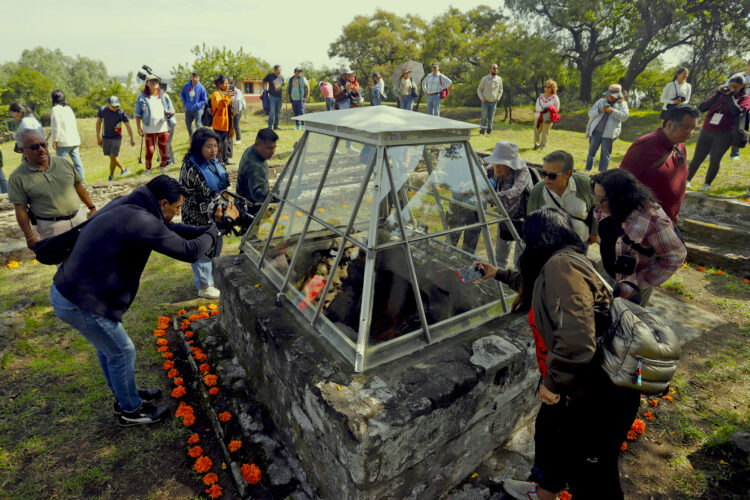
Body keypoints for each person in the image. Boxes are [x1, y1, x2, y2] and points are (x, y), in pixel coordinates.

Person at [475, 207, 641, 500]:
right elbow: (539, 287)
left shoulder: (561, 267)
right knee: (550, 437)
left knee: (591, 475)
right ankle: (544, 492)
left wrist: (551, 383)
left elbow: (577, 339)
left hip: (596, 393)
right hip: (575, 384)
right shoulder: (560, 262)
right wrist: (498, 273)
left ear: (537, 241)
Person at [50, 175, 237, 426]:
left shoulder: (132, 205)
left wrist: (209, 229)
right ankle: (130, 411)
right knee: (121, 351)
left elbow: (171, 229)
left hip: (74, 290)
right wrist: (217, 229)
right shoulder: (138, 219)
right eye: (176, 208)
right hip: (78, 300)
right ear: (161, 203)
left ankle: (125, 396)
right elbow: (188, 251)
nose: (176, 213)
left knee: (109, 350)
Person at [592, 169, 686, 306]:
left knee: (625, 324)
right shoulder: (605, 208)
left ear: (621, 197)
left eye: (601, 199)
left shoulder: (653, 220)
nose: (596, 203)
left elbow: (675, 257)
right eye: (595, 196)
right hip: (607, 274)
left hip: (633, 287)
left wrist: (640, 281)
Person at [8, 130, 96, 249]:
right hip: (51, 228)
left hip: (80, 219)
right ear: (22, 150)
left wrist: (91, 207)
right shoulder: (17, 177)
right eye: (34, 147)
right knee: (66, 264)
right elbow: (20, 209)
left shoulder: (63, 163)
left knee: (93, 254)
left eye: (43, 145)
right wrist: (29, 237)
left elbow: (78, 186)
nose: (41, 149)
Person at [620, 105, 699, 224]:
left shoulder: (679, 144)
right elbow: (621, 181)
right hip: (643, 221)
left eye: (693, 128)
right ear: (669, 124)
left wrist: (673, 214)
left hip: (667, 220)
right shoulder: (645, 145)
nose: (690, 132)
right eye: (686, 127)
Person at [179, 128, 229, 299]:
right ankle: (204, 286)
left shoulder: (215, 161)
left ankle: (211, 279)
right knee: (202, 249)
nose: (214, 150)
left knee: (215, 246)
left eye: (215, 146)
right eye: (209, 146)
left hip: (217, 213)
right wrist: (215, 211)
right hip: (197, 217)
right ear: (199, 147)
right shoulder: (190, 167)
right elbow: (191, 198)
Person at [687, 76, 750, 191]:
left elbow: (737, 112)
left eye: (735, 87)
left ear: (742, 87)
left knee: (715, 159)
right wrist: (717, 94)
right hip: (707, 130)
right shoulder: (720, 95)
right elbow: (702, 108)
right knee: (697, 157)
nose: (731, 88)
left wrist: (731, 96)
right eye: (730, 85)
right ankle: (687, 180)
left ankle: (706, 184)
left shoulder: (745, 99)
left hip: (725, 133)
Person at [528, 150, 598, 247]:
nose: (546, 179)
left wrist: (594, 232)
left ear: (568, 174)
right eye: (543, 173)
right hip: (549, 247)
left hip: (580, 244)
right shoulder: (538, 190)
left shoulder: (585, 184)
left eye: (552, 175)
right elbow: (531, 221)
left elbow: (597, 208)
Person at [484, 141, 532, 269]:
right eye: (495, 162)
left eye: (502, 164)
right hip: (505, 217)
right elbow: (479, 175)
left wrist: (490, 197)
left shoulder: (522, 172)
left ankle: (515, 285)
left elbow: (515, 191)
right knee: (499, 256)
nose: (497, 167)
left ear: (510, 165)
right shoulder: (493, 168)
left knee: (519, 259)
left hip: (524, 221)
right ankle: (498, 282)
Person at [134, 74, 176, 174]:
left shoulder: (164, 96)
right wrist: (139, 127)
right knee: (150, 150)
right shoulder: (141, 97)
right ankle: (148, 169)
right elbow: (137, 114)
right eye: (151, 81)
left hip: (163, 127)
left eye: (156, 81)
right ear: (147, 83)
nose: (154, 83)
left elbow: (172, 109)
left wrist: (170, 112)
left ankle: (163, 166)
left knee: (164, 149)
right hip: (149, 128)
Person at [584, 84, 629, 172]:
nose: (610, 96)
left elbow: (625, 116)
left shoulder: (622, 104)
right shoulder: (601, 101)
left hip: (609, 134)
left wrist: (613, 111)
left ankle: (602, 173)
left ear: (618, 96)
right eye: (609, 94)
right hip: (596, 131)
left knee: (605, 155)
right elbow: (590, 113)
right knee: (591, 152)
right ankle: (587, 170)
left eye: (612, 95)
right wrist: (600, 110)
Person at [237, 128, 279, 212]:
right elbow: (258, 195)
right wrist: (281, 195)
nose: (272, 152)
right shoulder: (255, 166)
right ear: (257, 145)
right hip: (251, 209)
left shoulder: (252, 150)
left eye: (274, 147)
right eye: (269, 148)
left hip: (244, 203)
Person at [96, 96, 135, 181]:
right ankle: (124, 170)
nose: (116, 108)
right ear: (108, 104)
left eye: (117, 106)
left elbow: (128, 125)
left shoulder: (121, 113)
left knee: (113, 156)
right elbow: (98, 123)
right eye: (113, 106)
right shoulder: (102, 110)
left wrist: (131, 138)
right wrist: (98, 137)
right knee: (111, 156)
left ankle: (111, 176)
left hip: (116, 137)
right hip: (105, 137)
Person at [49, 90, 85, 182]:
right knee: (77, 163)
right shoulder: (68, 108)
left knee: (61, 164)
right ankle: (82, 182)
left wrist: (55, 140)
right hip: (74, 139)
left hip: (63, 141)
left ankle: (63, 183)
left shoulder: (55, 109)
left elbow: (56, 126)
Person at [727, 58, 750, 160]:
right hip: (736, 105)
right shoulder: (739, 76)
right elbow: (727, 87)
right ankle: (711, 150)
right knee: (727, 128)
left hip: (747, 107)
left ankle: (735, 153)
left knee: (741, 130)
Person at [210, 75, 235, 165]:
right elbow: (220, 105)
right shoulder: (216, 94)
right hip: (219, 122)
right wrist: (228, 96)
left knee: (226, 141)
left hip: (227, 122)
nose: (228, 85)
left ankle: (225, 159)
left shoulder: (225, 93)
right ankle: (219, 160)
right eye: (225, 83)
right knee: (219, 142)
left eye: (228, 83)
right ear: (219, 84)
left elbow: (228, 107)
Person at [533, 80, 560, 150]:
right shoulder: (540, 96)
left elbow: (556, 108)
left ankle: (542, 146)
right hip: (538, 116)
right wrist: (542, 111)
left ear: (552, 88)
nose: (546, 88)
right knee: (536, 130)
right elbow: (537, 106)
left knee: (545, 133)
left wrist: (549, 111)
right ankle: (536, 144)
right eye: (545, 86)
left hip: (548, 117)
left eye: (548, 87)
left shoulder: (555, 97)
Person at [476, 64, 503, 135]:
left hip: (494, 101)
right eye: (494, 68)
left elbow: (501, 90)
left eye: (497, 68)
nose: (495, 69)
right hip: (485, 101)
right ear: (490, 69)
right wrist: (482, 98)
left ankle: (489, 131)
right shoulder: (485, 78)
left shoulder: (499, 79)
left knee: (491, 118)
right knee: (484, 117)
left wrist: (498, 98)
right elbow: (479, 89)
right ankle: (482, 131)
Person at [180, 72, 208, 136]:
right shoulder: (186, 86)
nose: (194, 79)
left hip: (198, 109)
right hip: (188, 109)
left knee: (198, 124)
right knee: (188, 124)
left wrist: (198, 105)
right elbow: (182, 94)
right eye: (193, 77)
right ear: (191, 77)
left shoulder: (201, 88)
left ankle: (199, 138)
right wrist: (185, 102)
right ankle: (191, 137)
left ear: (199, 78)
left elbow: (204, 100)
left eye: (196, 77)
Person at [263, 65, 284, 130]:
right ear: (275, 70)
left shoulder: (281, 77)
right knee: (272, 112)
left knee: (278, 112)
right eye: (278, 69)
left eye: (280, 69)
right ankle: (270, 126)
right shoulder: (270, 76)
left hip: (280, 97)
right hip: (272, 97)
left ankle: (276, 126)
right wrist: (265, 90)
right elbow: (263, 82)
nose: (279, 71)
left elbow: (281, 87)